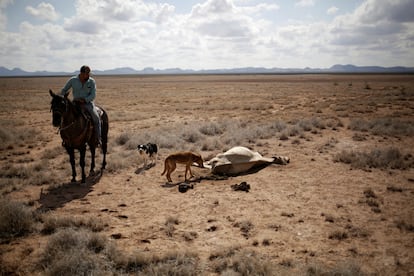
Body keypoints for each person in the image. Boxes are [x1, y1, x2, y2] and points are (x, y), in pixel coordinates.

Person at [61, 65, 101, 145]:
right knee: (64, 117)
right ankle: (65, 138)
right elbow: (64, 90)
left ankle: (97, 138)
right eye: (87, 74)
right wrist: (64, 96)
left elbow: (93, 95)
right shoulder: (73, 80)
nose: (88, 75)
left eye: (89, 74)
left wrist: (84, 100)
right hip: (75, 104)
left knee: (96, 118)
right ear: (81, 73)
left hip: (87, 104)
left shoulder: (91, 81)